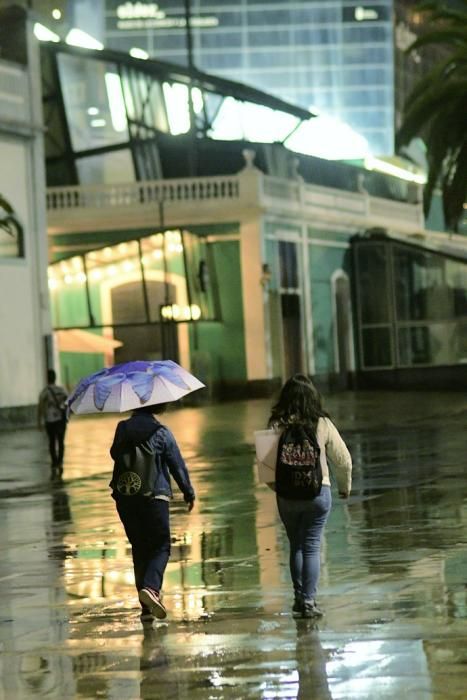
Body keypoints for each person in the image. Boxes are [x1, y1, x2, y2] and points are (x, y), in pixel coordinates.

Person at [268, 374, 352, 619]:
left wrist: (280, 489)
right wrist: (344, 487)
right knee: (312, 546)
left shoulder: (276, 424)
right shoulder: (322, 423)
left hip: (287, 496)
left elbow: (264, 466)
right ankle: (309, 600)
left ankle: (298, 597)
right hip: (318, 492)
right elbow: (343, 460)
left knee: (295, 545)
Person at [110, 403, 195, 624]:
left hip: (127, 496)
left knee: (140, 548)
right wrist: (188, 491)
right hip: (154, 496)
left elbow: (114, 453)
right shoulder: (161, 432)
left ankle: (146, 608)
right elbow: (176, 464)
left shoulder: (122, 428)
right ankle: (151, 589)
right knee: (161, 546)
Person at [37, 369, 68, 474]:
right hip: (61, 420)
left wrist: (39, 421)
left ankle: (54, 462)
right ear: (55, 378)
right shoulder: (62, 390)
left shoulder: (45, 392)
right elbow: (68, 404)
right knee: (61, 442)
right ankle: (60, 462)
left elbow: (40, 407)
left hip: (50, 420)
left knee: (52, 442)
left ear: (47, 379)